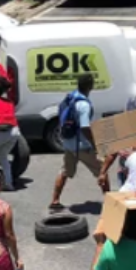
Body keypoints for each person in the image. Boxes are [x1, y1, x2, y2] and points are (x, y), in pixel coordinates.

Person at [49, 74, 103, 211]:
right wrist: (94, 143)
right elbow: (85, 127)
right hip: (82, 146)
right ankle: (110, 200)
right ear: (91, 86)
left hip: (68, 144)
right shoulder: (83, 104)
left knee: (65, 171)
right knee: (103, 170)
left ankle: (55, 201)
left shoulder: (70, 97)